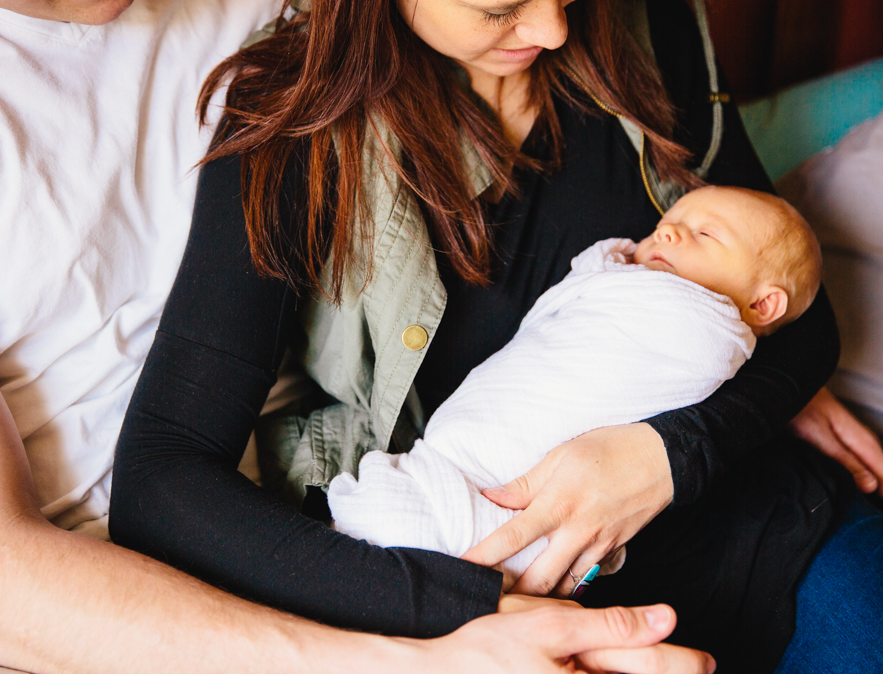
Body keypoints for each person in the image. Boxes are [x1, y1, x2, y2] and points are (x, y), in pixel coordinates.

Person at [0, 0, 720, 673]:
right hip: (49, 604)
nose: (549, 28)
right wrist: (435, 644)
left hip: (325, 512)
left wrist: (716, 377)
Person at [108, 0, 883, 672]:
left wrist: (664, 457)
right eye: (501, 7)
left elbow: (794, 313)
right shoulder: (295, 126)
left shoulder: (646, 20)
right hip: (497, 597)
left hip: (757, 520)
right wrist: (473, 608)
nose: (556, 30)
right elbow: (160, 480)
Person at [328, 186, 821, 584]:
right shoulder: (630, 283)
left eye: (706, 234)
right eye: (665, 224)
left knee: (407, 545)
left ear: (763, 307)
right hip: (454, 454)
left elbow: (731, 345)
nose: (667, 233)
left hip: (523, 498)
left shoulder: (706, 331)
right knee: (376, 535)